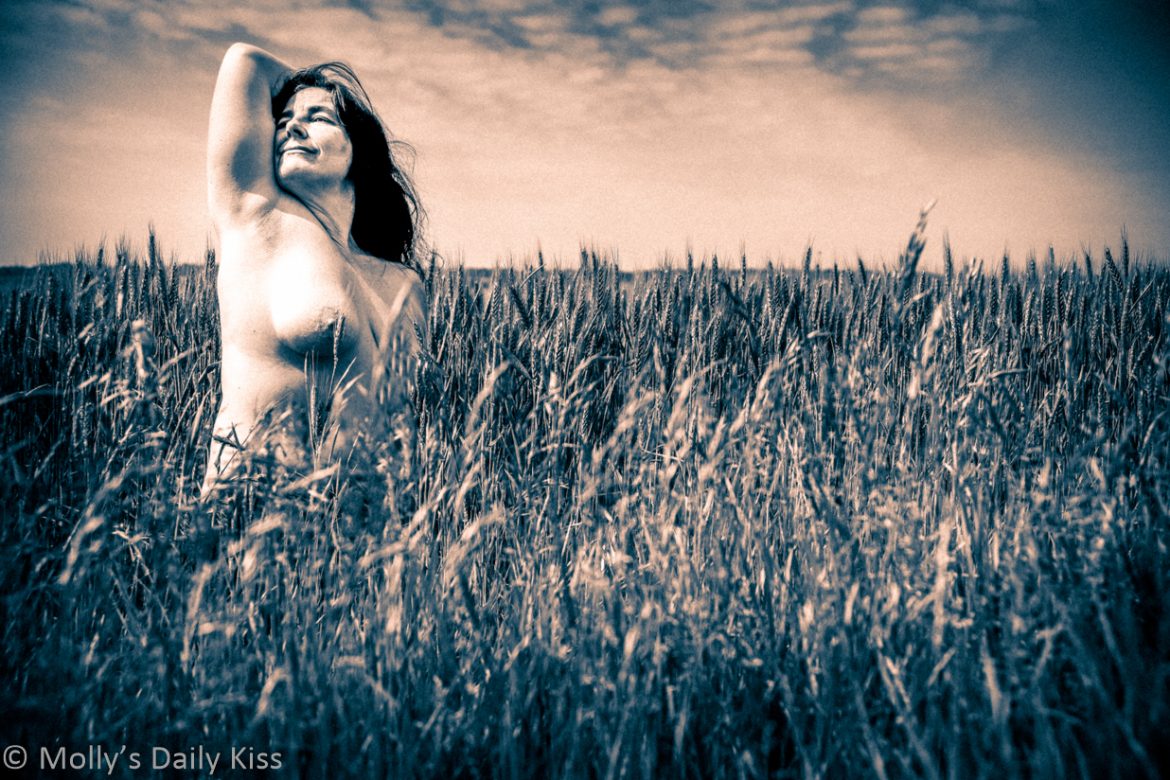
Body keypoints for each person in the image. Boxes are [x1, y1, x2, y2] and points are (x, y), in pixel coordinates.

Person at [201, 43, 426, 496]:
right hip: (253, 522)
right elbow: (243, 62)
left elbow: (404, 422)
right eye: (282, 120)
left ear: (358, 147)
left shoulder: (403, 282)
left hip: (365, 537)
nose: (291, 127)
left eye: (317, 118)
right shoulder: (256, 215)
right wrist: (319, 87)